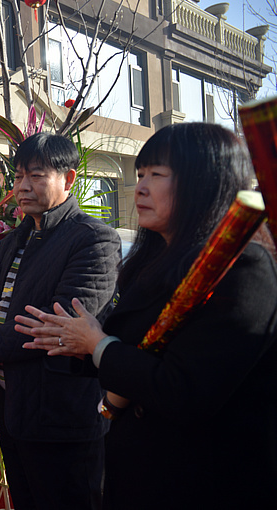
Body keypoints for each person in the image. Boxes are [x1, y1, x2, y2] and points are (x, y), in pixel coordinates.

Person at [16, 123, 277, 510]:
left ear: (205, 181)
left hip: (200, 479)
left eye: (157, 175)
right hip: (139, 470)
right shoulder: (154, 262)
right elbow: (136, 349)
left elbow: (183, 389)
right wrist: (84, 345)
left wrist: (98, 344)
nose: (139, 187)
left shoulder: (241, 268)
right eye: (140, 175)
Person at [0, 133, 121, 510]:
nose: (23, 187)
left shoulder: (94, 240)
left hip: (60, 417)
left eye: (37, 176)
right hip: (11, 405)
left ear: (69, 178)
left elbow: (57, 324)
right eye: (17, 177)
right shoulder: (12, 240)